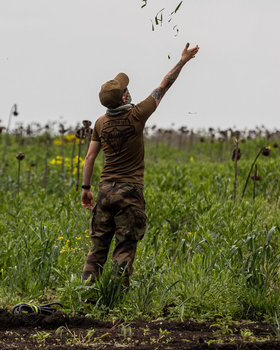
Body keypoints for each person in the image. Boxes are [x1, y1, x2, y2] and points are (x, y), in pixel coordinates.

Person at [80, 42, 200, 286]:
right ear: (124, 97)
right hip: (129, 192)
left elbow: (90, 157)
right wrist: (183, 60)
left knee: (98, 247)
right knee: (124, 246)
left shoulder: (100, 123)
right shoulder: (137, 115)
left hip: (104, 191)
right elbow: (164, 85)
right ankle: (115, 297)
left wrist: (85, 189)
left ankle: (85, 295)